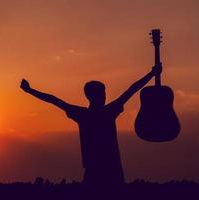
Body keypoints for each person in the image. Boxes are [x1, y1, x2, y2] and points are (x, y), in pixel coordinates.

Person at [20, 63, 162, 186]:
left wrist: (30, 91)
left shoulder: (83, 115)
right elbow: (131, 90)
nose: (105, 95)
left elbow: (54, 100)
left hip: (93, 167)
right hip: (112, 167)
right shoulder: (109, 111)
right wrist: (152, 74)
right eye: (103, 93)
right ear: (97, 95)